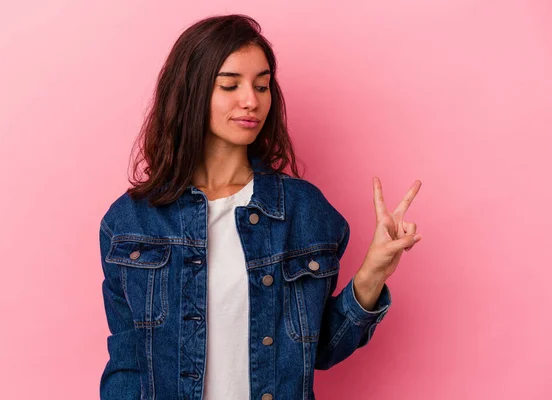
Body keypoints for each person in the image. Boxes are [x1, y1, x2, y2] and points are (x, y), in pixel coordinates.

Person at [99, 13, 422, 400]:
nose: (251, 101)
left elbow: (319, 351)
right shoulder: (131, 222)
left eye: (263, 85)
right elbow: (129, 365)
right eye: (230, 85)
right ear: (191, 91)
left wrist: (373, 272)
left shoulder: (304, 211)